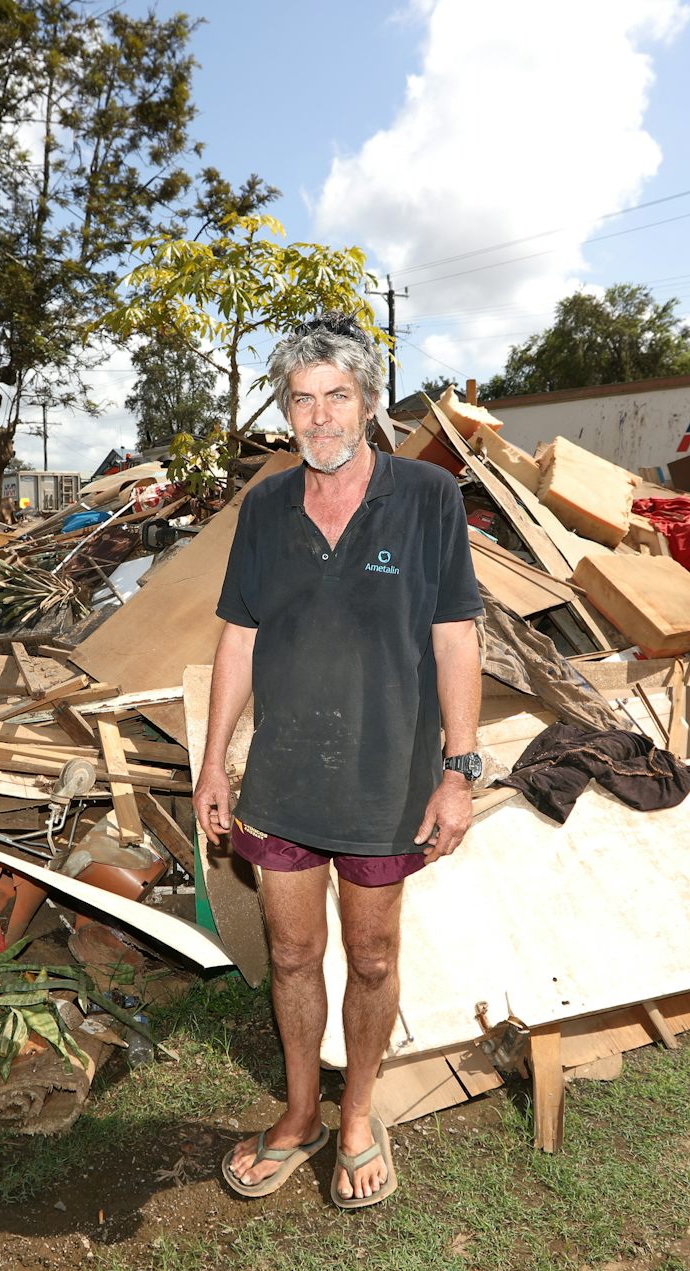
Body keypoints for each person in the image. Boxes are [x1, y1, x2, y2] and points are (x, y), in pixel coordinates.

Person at [193, 314, 485, 1209]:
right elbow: (237, 639)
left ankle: (358, 1115)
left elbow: (455, 639)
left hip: (387, 776)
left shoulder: (430, 499)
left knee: (368, 956)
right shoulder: (264, 508)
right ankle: (300, 1115)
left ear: (366, 403)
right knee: (289, 955)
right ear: (285, 410)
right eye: (301, 400)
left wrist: (458, 769)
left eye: (338, 397)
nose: (319, 418)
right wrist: (213, 765)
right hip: (282, 776)